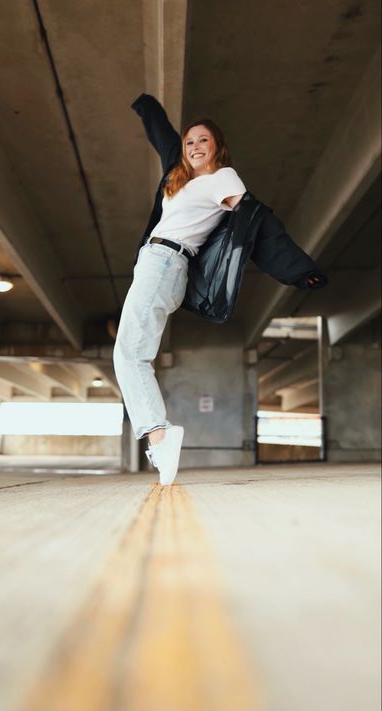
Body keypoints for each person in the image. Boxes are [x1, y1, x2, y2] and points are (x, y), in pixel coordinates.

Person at [113, 94, 326, 486]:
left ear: (217, 148)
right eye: (190, 141)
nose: (194, 147)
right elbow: (165, 140)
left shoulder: (222, 179)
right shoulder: (179, 179)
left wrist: (299, 270)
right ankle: (159, 435)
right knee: (132, 354)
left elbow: (257, 224)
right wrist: (147, 108)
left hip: (166, 263)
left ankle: (159, 435)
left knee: (129, 354)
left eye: (203, 141)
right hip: (153, 263)